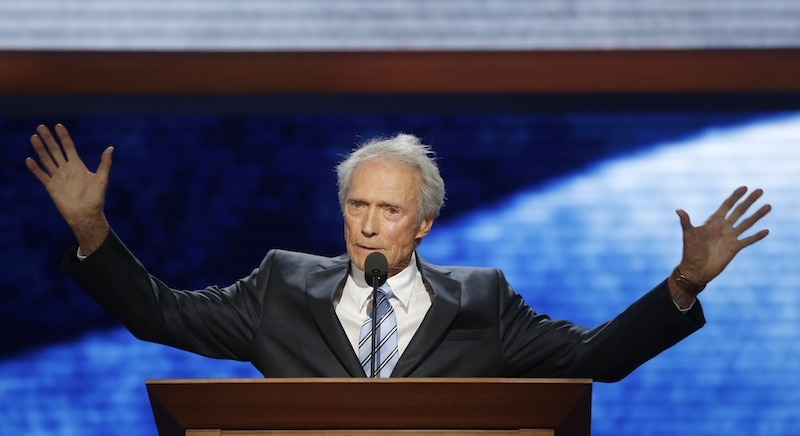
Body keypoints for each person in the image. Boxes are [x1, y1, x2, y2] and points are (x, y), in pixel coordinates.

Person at [26, 123, 771, 381]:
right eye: (358, 206)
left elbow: (593, 359)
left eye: (390, 210)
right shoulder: (281, 286)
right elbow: (164, 316)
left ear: (423, 226)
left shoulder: (483, 302)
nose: (370, 225)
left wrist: (680, 283)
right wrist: (94, 232)